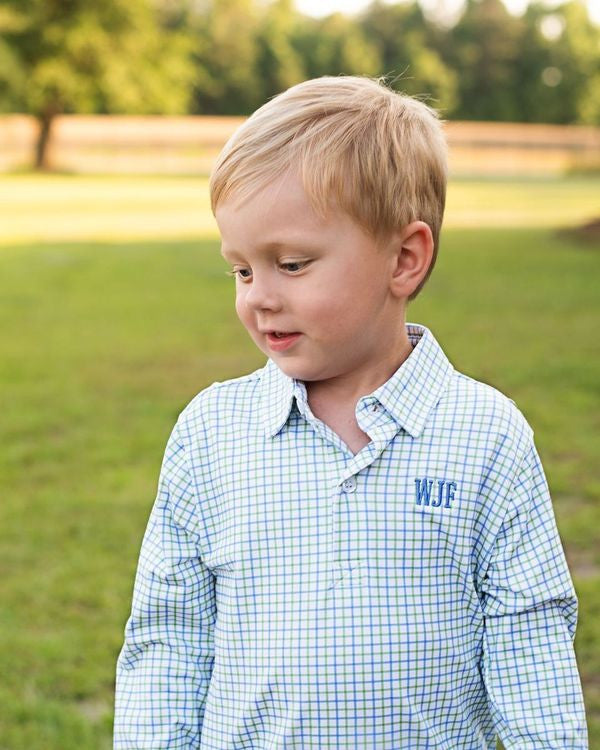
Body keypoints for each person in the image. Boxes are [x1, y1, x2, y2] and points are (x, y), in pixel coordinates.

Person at [113, 75, 588, 749]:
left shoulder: (486, 436)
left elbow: (529, 635)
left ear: (404, 259)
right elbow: (169, 636)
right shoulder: (211, 434)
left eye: (292, 264)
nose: (259, 298)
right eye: (241, 271)